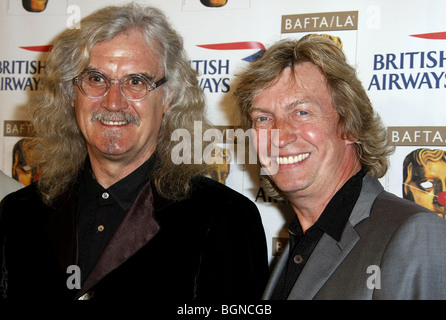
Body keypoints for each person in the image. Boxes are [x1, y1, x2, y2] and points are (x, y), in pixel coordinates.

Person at [0, 3, 268, 302]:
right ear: (70, 93)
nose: (113, 103)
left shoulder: (223, 219)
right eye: (96, 79)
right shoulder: (18, 214)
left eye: (136, 82)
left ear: (169, 97)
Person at [234, 34, 446, 299]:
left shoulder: (415, 236)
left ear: (350, 126)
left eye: (301, 112)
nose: (279, 135)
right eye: (263, 118)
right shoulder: (301, 239)